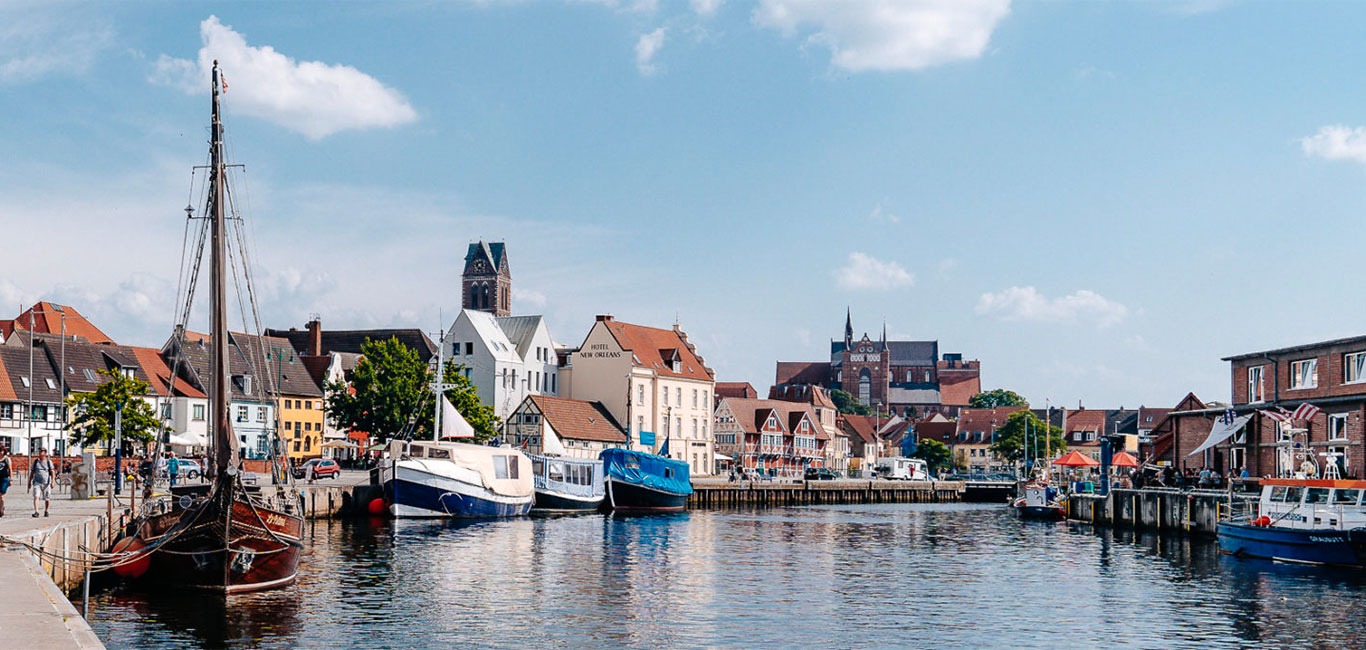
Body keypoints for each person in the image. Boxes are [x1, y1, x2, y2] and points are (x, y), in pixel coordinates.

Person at [29, 449, 54, 518]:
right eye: (39, 451)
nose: (40, 453)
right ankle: (36, 511)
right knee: (36, 496)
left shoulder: (48, 462)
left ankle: (46, 510)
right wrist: (29, 482)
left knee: (47, 498)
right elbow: (32, 472)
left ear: (45, 453)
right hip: (37, 482)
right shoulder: (36, 461)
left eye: (42, 452)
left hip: (46, 482)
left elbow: (52, 472)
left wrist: (52, 481)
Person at [0, 448, 11, 517]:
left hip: (5, 478)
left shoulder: (7, 459)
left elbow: (10, 469)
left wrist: (11, 479)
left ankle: (1, 509)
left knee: (1, 494)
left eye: (1, 451)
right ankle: (1, 508)